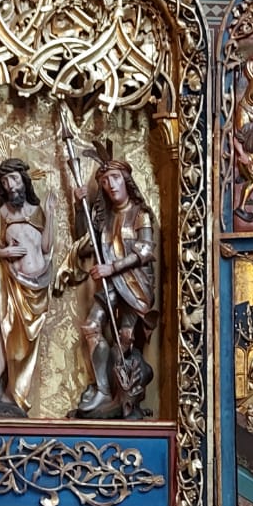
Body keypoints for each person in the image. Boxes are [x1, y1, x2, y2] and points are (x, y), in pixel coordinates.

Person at [56, 155, 157, 419]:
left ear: (126, 180)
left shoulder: (140, 214)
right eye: (104, 181)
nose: (110, 185)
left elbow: (145, 250)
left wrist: (112, 268)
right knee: (91, 326)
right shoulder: (106, 218)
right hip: (111, 285)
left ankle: (125, 397)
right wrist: (81, 207)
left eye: (114, 178)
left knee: (125, 339)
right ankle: (102, 389)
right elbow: (85, 241)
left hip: (136, 286)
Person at [0, 157, 54, 417]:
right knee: (7, 336)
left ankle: (10, 394)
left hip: (38, 287)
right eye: (6, 181)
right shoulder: (3, 214)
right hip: (14, 285)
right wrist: (5, 252)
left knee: (23, 344)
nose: (11, 186)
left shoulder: (38, 211)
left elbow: (46, 247)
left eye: (15, 179)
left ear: (25, 181)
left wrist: (51, 214)